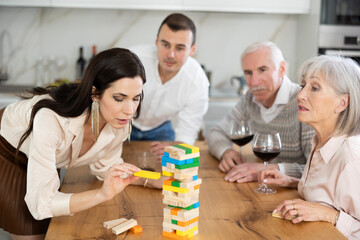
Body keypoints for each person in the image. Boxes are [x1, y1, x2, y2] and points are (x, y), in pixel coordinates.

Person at [0, 48, 146, 240]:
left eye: (136, 98)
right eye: (119, 98)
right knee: (34, 235)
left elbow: (107, 166)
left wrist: (152, 180)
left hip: (42, 159)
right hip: (7, 152)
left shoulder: (120, 121)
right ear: (95, 93)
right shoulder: (51, 120)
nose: (129, 110)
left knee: (53, 228)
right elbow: (41, 203)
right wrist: (101, 195)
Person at [259, 55, 360, 239]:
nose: (300, 95)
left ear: (342, 103)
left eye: (314, 88)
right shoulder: (320, 141)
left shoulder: (352, 158)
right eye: (302, 86)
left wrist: (329, 215)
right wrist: (291, 181)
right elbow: (331, 195)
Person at [206, 41, 315, 183]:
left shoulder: (304, 103)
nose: (254, 82)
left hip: (295, 196)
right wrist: (226, 152)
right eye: (248, 73)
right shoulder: (249, 100)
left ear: (282, 69)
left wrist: (269, 169)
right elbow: (216, 132)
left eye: (262, 70)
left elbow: (316, 170)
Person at [130, 13, 209, 159]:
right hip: (122, 123)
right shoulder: (132, 59)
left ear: (192, 50)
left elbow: (187, 133)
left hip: (160, 128)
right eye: (165, 44)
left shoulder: (198, 82)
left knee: (171, 164)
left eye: (179, 48)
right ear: (156, 41)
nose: (170, 55)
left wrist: (180, 147)